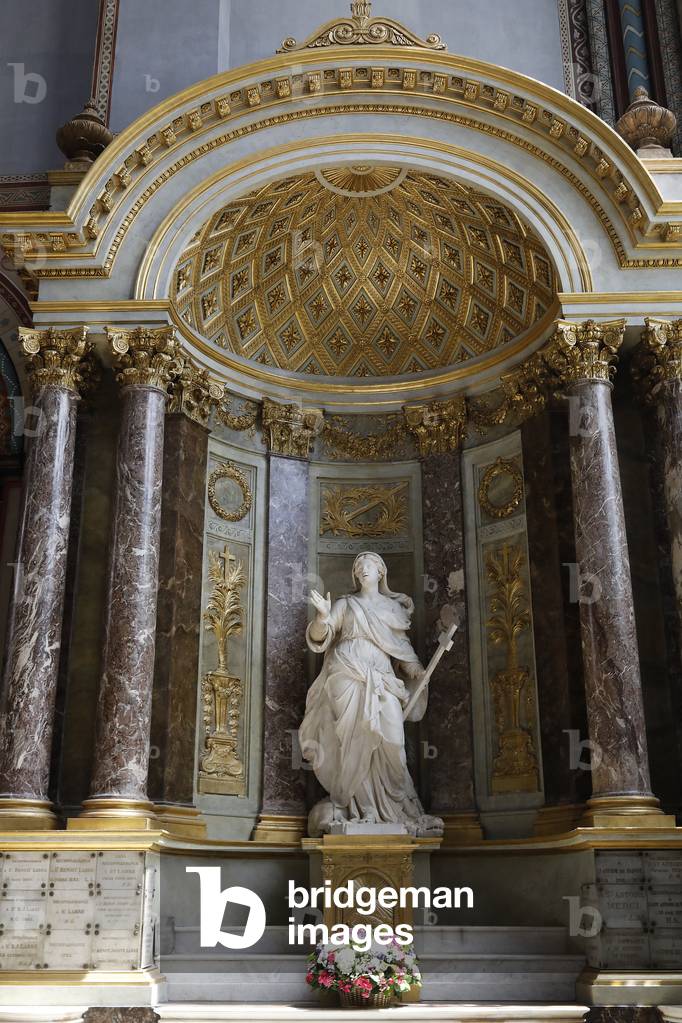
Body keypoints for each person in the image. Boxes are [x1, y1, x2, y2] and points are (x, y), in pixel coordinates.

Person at [299, 551, 443, 837]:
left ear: (381, 572)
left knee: (393, 740)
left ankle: (396, 807)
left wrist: (416, 672)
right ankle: (362, 809)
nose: (363, 569)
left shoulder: (392, 609)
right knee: (354, 741)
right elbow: (320, 636)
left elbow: (402, 648)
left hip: (382, 679)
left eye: (369, 565)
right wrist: (322, 617)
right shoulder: (345, 604)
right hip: (346, 676)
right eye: (358, 567)